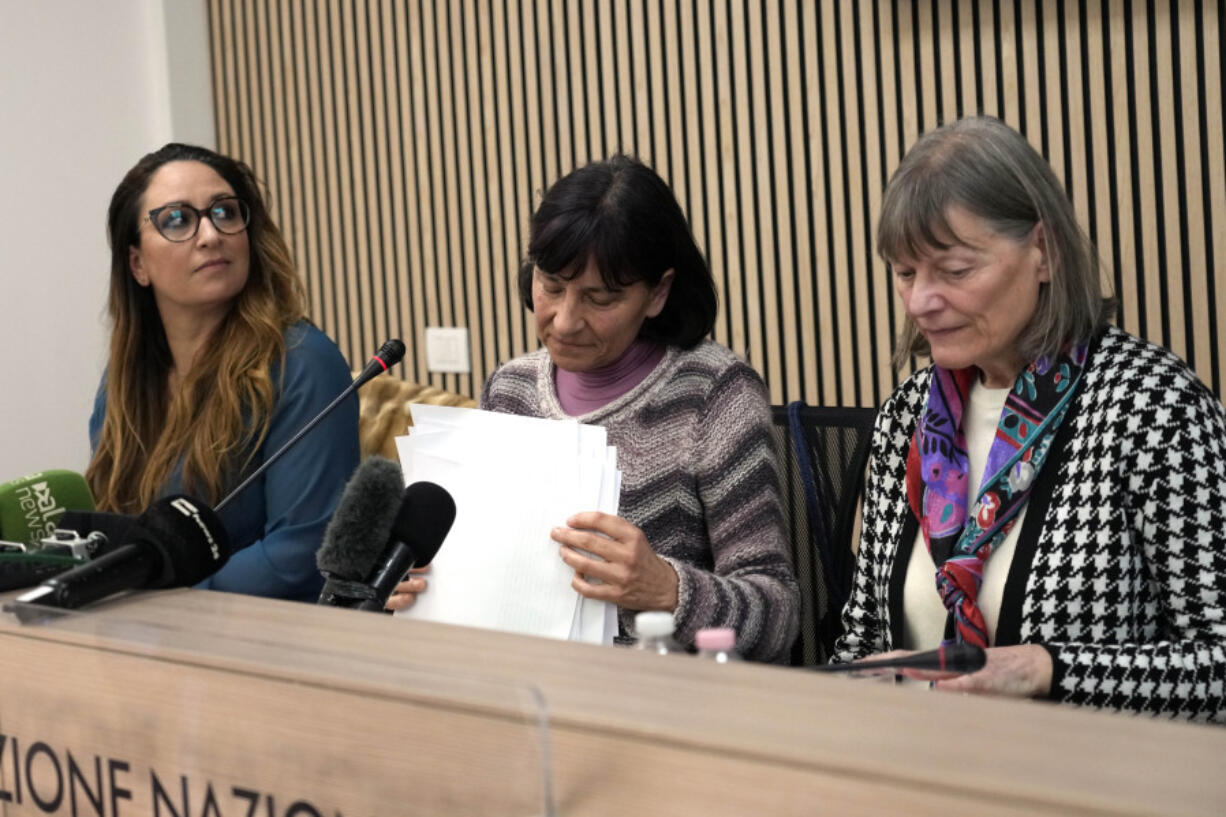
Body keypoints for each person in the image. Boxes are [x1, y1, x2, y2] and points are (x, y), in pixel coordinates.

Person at [832, 116, 1226, 721]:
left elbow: (1218, 664)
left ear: (1044, 252)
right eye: (906, 274)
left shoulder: (1152, 410)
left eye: (956, 271)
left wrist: (1049, 670)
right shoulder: (906, 417)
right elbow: (862, 649)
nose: (921, 302)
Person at [389, 155, 799, 662]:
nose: (563, 321)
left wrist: (667, 588)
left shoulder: (715, 395)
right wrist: (421, 585)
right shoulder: (510, 390)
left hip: (659, 705)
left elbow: (778, 614)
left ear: (658, 293)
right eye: (550, 287)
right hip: (519, 687)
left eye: (599, 299)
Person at [86, 143, 359, 601]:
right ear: (137, 264)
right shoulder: (124, 378)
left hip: (260, 639)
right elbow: (116, 521)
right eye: (177, 220)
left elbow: (303, 554)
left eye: (225, 212)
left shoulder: (302, 361)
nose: (210, 234)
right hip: (144, 629)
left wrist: (150, 591)